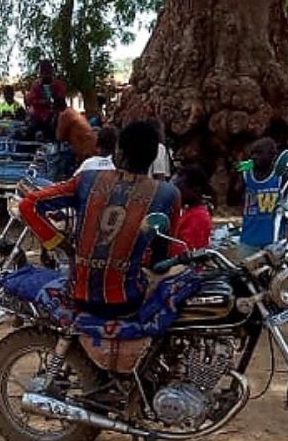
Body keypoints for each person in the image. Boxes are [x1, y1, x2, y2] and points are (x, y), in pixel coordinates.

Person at [20, 120, 181, 317]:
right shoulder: (168, 194)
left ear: (119, 152)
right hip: (127, 301)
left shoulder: (87, 178)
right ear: (155, 156)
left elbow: (28, 205)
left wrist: (68, 250)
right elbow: (162, 257)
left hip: (79, 293)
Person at [240, 138, 288, 344]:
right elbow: (235, 195)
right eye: (252, 153)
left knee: (287, 283)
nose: (253, 158)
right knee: (247, 284)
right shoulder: (246, 174)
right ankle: (247, 325)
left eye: (258, 153)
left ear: (272, 156)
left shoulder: (282, 176)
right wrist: (241, 171)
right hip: (249, 238)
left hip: (275, 241)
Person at [171, 165, 213, 255]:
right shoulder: (189, 212)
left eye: (180, 188)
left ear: (195, 190)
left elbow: (187, 253)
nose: (176, 192)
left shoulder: (198, 218)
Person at [25, 59, 66, 141]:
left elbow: (61, 100)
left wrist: (55, 101)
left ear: (51, 71)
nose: (45, 74)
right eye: (43, 72)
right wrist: (43, 102)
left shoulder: (58, 84)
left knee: (56, 128)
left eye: (47, 71)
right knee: (30, 130)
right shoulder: (36, 85)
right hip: (38, 115)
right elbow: (31, 100)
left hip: (55, 115)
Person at [54, 97, 97, 163]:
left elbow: (59, 136)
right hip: (91, 142)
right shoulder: (73, 112)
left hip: (85, 148)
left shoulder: (64, 115)